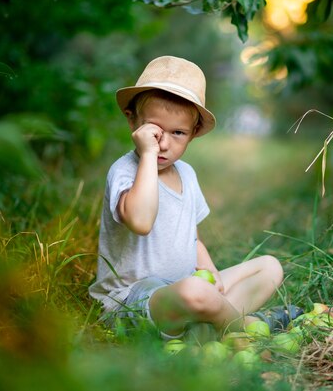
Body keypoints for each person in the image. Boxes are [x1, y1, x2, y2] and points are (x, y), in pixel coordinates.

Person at [89, 56, 301, 339]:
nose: (163, 144)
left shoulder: (186, 174)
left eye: (178, 133)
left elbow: (192, 238)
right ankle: (245, 327)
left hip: (187, 290)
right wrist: (148, 155)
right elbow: (140, 221)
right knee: (194, 292)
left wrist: (211, 271)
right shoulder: (125, 171)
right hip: (132, 302)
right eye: (154, 131)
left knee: (268, 267)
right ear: (133, 122)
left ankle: (204, 327)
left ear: (194, 133)